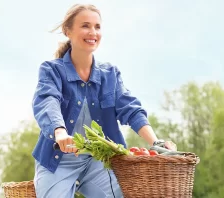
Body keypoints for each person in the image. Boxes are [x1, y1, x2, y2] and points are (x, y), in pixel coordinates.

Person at [32, 3, 177, 198]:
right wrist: (59, 132)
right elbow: (46, 101)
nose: (92, 32)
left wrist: (156, 142)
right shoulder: (52, 70)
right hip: (58, 160)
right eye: (85, 25)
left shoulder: (110, 74)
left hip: (99, 161)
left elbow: (131, 109)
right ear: (68, 31)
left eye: (97, 27)